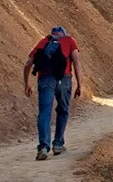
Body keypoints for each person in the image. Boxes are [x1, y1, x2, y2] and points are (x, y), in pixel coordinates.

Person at [24, 26, 82, 160]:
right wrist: (79, 84)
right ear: (63, 33)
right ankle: (58, 144)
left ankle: (43, 147)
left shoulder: (43, 42)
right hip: (64, 79)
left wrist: (27, 83)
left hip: (45, 79)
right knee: (63, 110)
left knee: (44, 113)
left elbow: (28, 63)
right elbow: (76, 62)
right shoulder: (69, 41)